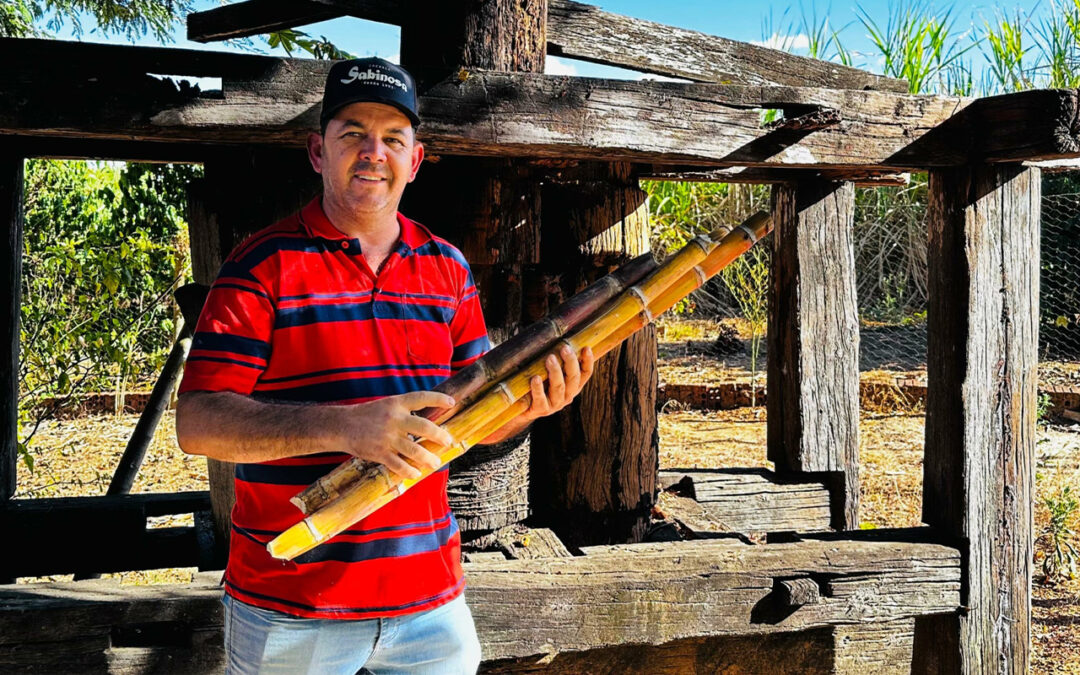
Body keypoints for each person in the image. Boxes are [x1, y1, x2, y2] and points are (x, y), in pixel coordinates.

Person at [175, 57, 594, 675]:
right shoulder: (260, 267)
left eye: (393, 139)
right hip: (293, 602)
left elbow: (471, 420)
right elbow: (199, 423)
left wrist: (529, 409)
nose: (374, 152)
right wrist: (346, 427)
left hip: (430, 600)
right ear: (318, 151)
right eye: (354, 135)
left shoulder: (446, 268)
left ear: (415, 160)